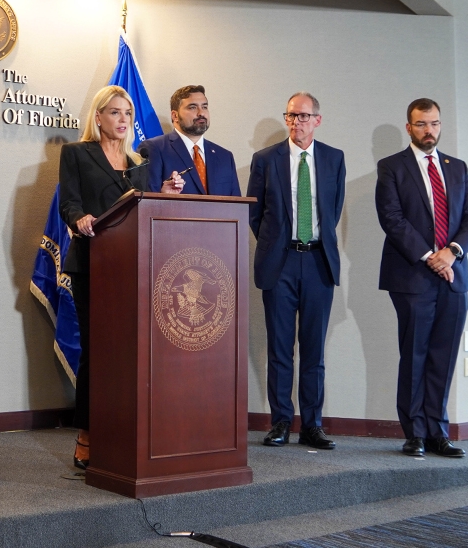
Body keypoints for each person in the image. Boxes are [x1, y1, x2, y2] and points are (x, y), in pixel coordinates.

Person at [59, 85, 184, 469]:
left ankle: (127, 433)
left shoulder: (139, 163)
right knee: (97, 353)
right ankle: (87, 434)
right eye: (115, 112)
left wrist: (162, 192)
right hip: (93, 265)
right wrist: (79, 219)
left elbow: (140, 211)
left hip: (135, 270)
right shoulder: (77, 154)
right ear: (98, 117)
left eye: (127, 113)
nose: (123, 119)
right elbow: (69, 201)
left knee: (132, 353)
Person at [376, 98, 468, 458]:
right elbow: (392, 219)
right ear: (409, 127)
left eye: (434, 123)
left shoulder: (457, 167)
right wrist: (431, 257)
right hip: (412, 276)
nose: (428, 131)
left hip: (454, 276)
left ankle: (438, 430)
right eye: (421, 124)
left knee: (443, 355)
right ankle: (415, 432)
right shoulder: (391, 167)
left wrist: (451, 252)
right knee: (415, 354)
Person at [247, 92, 345, 450]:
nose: (296, 122)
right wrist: (277, 245)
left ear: (317, 119)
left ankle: (312, 425)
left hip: (319, 262)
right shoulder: (265, 159)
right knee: (280, 348)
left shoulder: (334, 159)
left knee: (314, 351)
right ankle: (281, 422)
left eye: (304, 116)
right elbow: (255, 214)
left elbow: (331, 212)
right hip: (281, 262)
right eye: (291, 116)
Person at [143, 85, 241, 196]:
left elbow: (237, 206)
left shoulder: (225, 156)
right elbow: (146, 202)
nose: (201, 113)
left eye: (204, 107)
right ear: (175, 116)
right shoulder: (155, 149)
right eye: (192, 107)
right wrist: (163, 195)